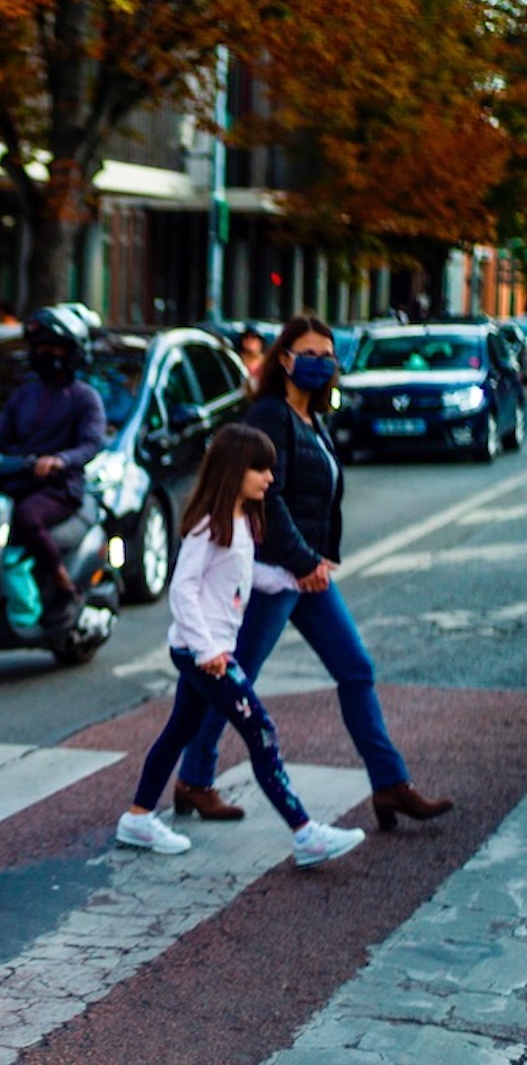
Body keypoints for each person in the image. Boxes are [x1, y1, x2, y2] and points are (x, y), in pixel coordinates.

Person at [171, 314, 452, 830]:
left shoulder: (312, 419)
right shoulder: (270, 415)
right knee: (233, 676)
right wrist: (303, 561)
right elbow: (267, 496)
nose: (320, 363)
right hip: (272, 572)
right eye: (309, 354)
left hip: (307, 571)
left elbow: (321, 494)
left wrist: (318, 558)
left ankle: (389, 784)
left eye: (327, 356)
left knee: (356, 669)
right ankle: (194, 777)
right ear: (284, 359)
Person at [114, 424, 366, 867]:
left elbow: (244, 575)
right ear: (234, 470)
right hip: (204, 656)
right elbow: (182, 589)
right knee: (261, 732)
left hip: (207, 653)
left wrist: (295, 578)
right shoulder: (209, 527)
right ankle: (306, 834)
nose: (270, 478)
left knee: (179, 732)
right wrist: (206, 649)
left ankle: (138, 818)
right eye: (260, 469)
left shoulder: (240, 520)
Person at [0, 305, 107, 622]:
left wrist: (60, 460)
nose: (46, 353)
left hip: (59, 487)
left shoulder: (84, 397)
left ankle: (63, 584)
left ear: (71, 351)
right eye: (40, 346)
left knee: (27, 516)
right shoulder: (24, 395)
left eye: (54, 347)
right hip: (20, 479)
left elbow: (92, 443)